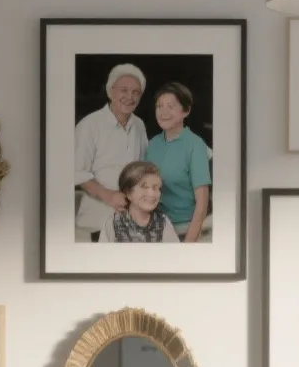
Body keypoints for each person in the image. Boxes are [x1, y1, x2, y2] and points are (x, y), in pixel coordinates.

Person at [74, 63, 149, 241]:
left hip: (133, 221)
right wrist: (108, 196)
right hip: (99, 221)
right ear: (110, 91)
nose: (130, 97)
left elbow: (145, 167)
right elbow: (76, 172)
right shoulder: (89, 124)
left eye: (136, 92)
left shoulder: (139, 125)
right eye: (123, 90)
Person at [142, 82, 212, 243]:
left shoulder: (195, 145)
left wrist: (185, 249)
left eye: (170, 106)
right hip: (157, 228)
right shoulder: (153, 144)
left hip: (188, 229)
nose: (163, 112)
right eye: (159, 106)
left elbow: (202, 206)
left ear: (185, 111)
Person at [107, 161, 181, 244]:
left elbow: (173, 254)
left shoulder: (163, 222)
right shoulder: (113, 223)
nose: (151, 193)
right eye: (144, 187)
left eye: (156, 188)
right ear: (128, 193)